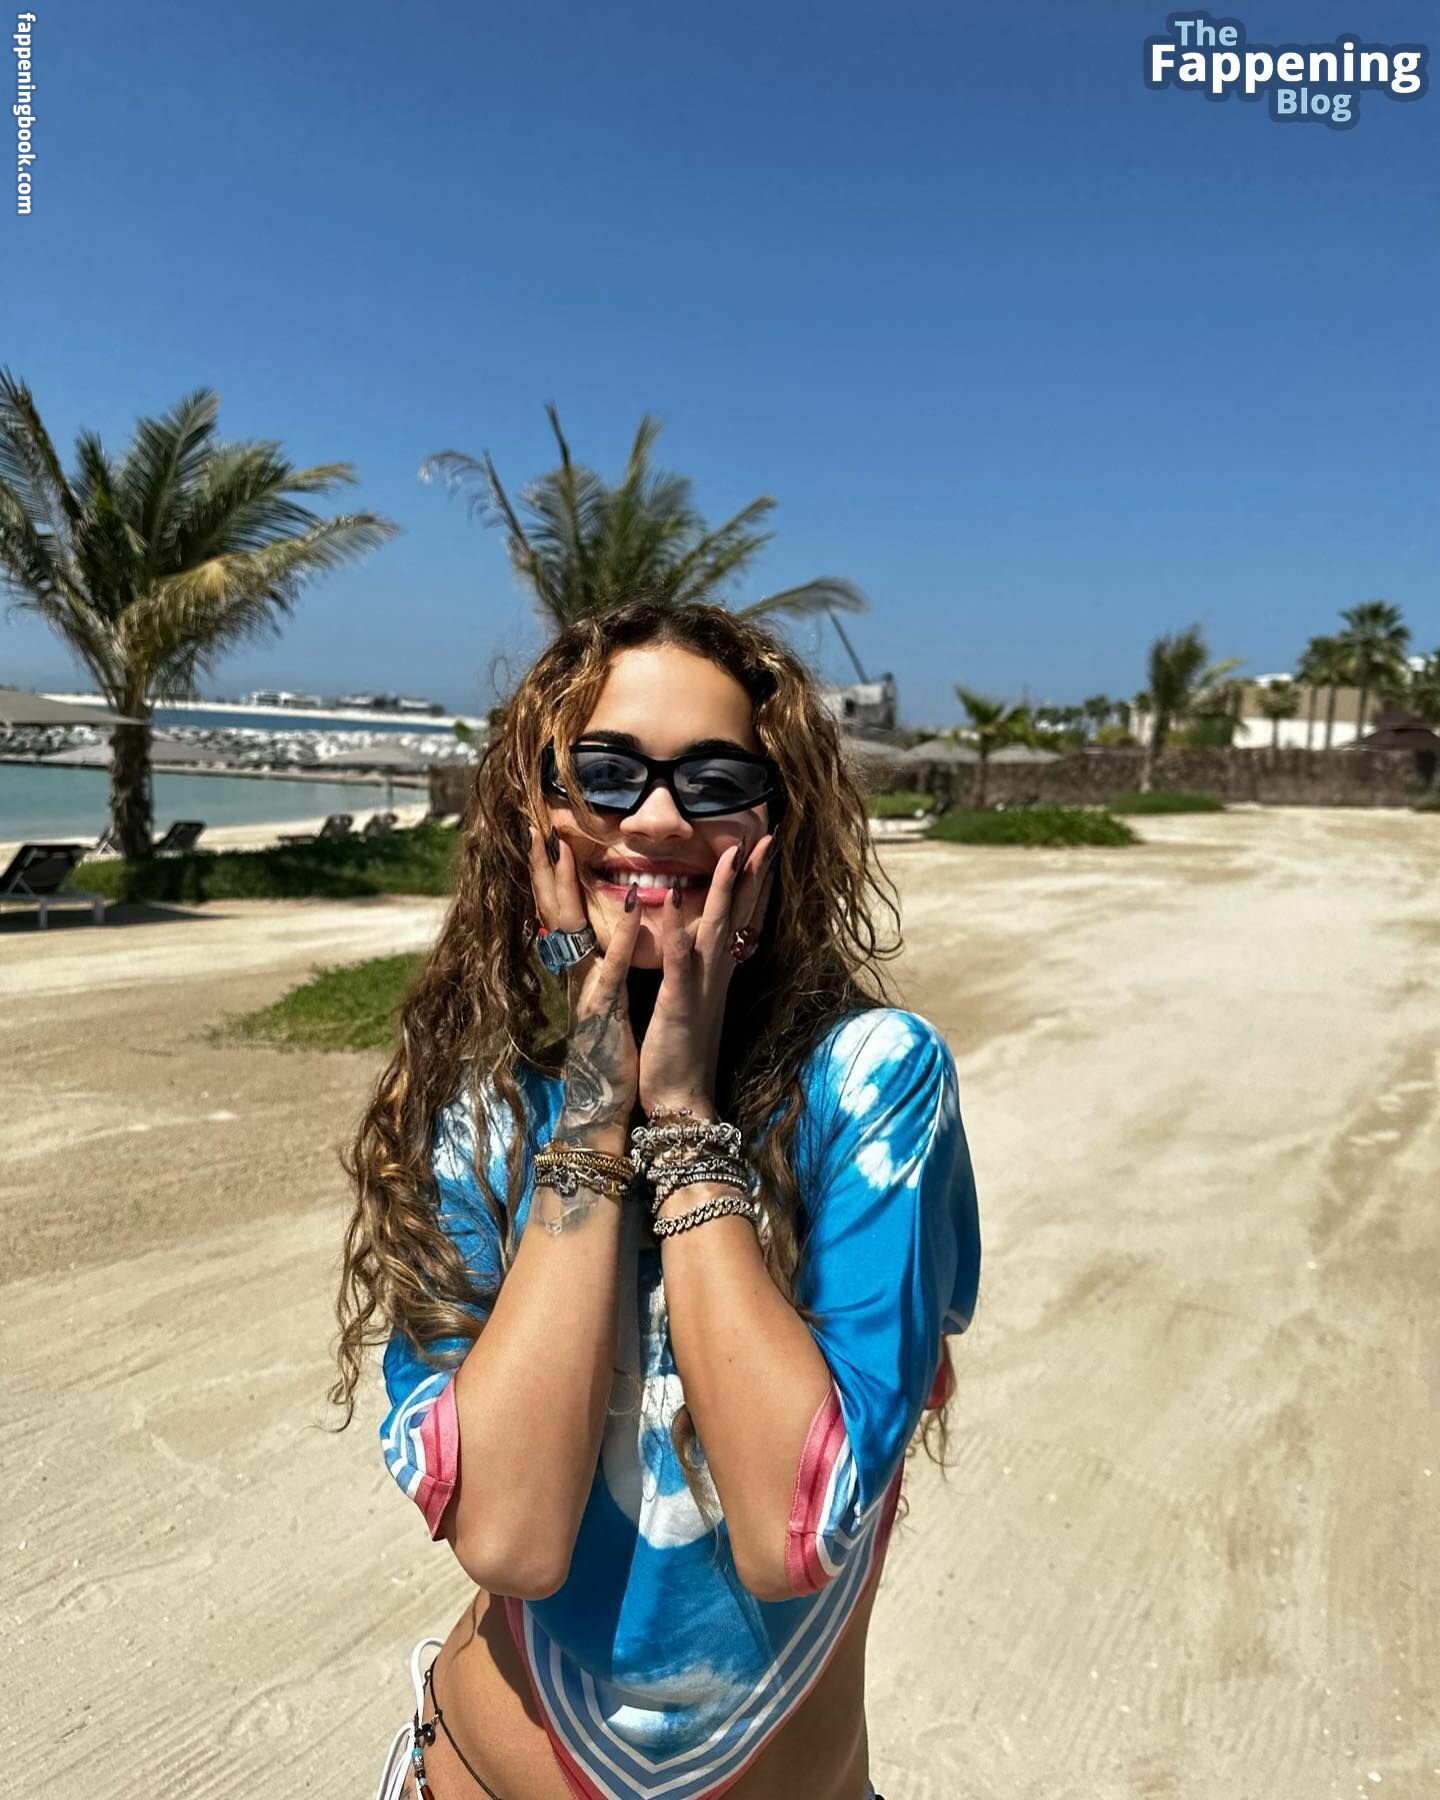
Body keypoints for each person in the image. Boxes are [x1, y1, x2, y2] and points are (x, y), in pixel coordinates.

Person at [331, 598, 982, 1800]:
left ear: (778, 824)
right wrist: (592, 1108)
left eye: (717, 778)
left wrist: (683, 1118)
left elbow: (793, 1531)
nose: (661, 816)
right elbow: (511, 1538)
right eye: (608, 772)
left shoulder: (869, 1086)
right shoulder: (485, 1108)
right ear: (540, 814)